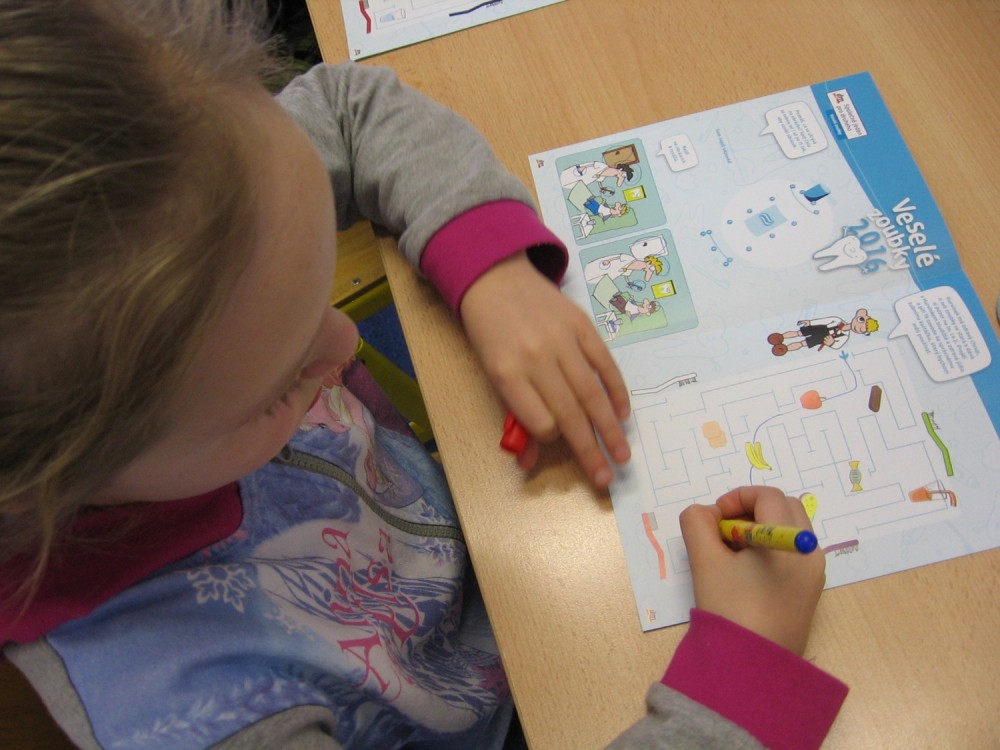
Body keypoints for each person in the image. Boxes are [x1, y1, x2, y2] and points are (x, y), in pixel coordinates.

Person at [0, 2, 845, 748]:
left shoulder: (180, 171)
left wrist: (493, 271)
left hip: (481, 537)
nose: (345, 344)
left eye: (318, 302)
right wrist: (744, 688)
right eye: (279, 387)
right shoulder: (194, 711)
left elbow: (348, 106)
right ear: (44, 484)